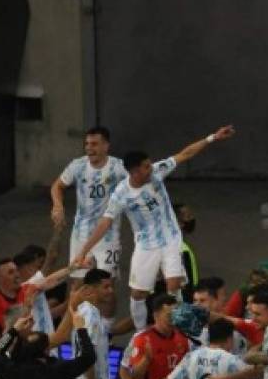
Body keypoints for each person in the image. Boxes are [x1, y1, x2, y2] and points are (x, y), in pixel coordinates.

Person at [73, 125, 236, 331]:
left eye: (150, 165)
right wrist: (84, 250)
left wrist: (213, 137)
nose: (151, 168)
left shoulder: (158, 171)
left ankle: (179, 329)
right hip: (146, 245)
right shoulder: (121, 194)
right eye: (146, 167)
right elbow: (105, 222)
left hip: (170, 239)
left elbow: (185, 154)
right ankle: (141, 334)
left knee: (173, 286)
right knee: (138, 294)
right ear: (134, 171)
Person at [51, 127, 127, 280]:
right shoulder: (77, 165)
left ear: (106, 146)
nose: (89, 148)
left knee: (106, 285)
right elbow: (57, 186)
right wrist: (58, 205)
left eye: (94, 144)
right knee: (78, 283)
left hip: (108, 237)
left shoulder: (118, 167)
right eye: (87, 144)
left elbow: (138, 183)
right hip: (81, 235)